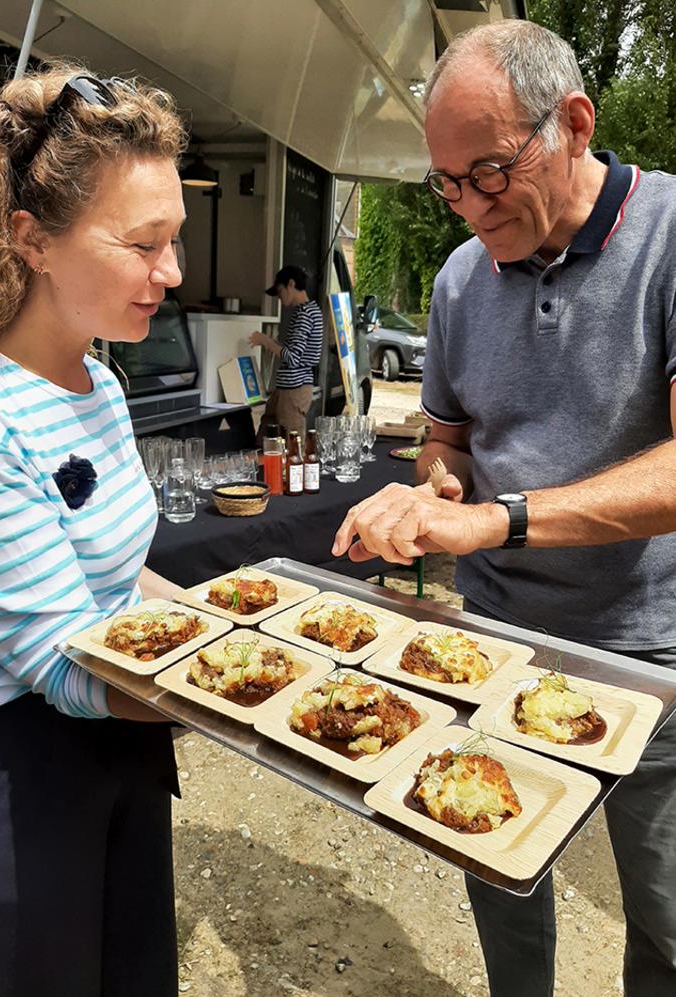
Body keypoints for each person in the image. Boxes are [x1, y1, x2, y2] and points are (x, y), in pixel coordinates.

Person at [332, 20, 676, 997]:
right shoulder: (456, 281)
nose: (471, 206)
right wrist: (433, 489)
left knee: (666, 911)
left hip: (650, 652)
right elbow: (448, 443)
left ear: (574, 124)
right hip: (493, 644)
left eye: (488, 172)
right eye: (447, 184)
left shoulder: (668, 236)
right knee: (496, 864)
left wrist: (499, 517)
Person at [0, 65, 189, 996]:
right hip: (15, 769)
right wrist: (271, 697)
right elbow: (66, 667)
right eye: (143, 243)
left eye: (174, 239)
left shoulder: (99, 381)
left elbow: (113, 579)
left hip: (123, 734)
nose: (172, 272)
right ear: (31, 239)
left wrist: (249, 623)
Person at [250, 264, 323, 441]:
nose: (279, 297)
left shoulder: (305, 314)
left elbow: (293, 358)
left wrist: (266, 341)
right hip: (288, 388)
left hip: (294, 389)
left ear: (291, 284)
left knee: (291, 444)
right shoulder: (307, 311)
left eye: (280, 291)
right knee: (267, 437)